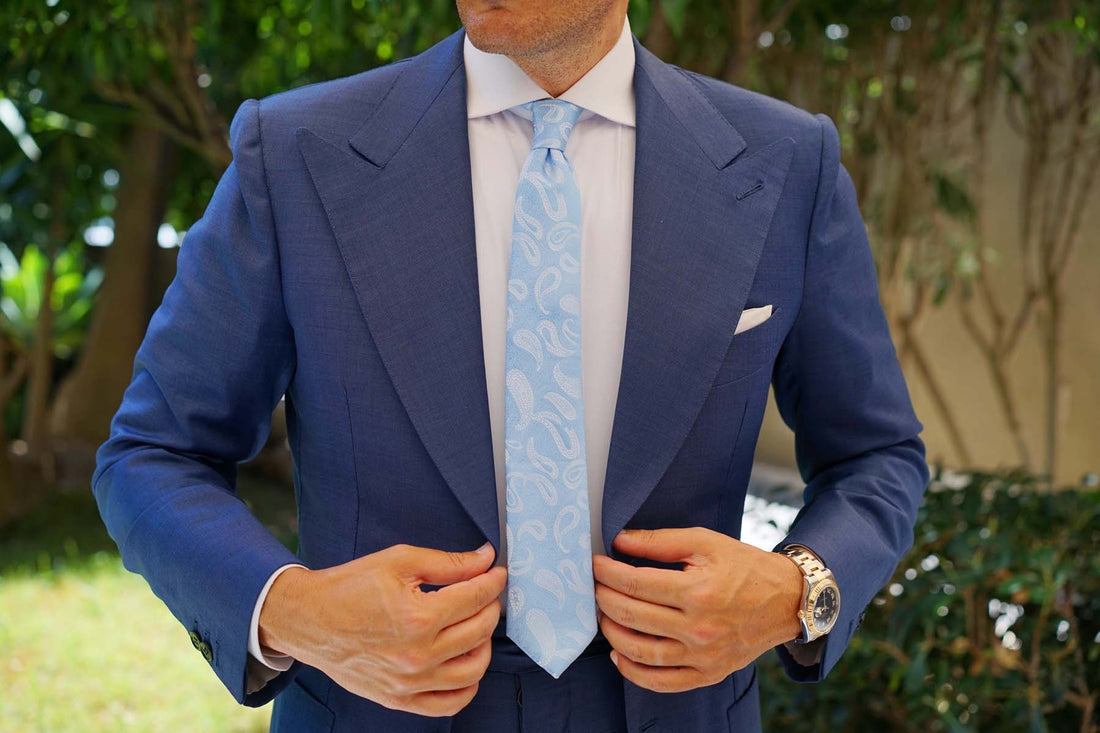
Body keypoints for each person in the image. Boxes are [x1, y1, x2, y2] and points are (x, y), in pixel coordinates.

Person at [91, 0, 929, 730]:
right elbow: (152, 454)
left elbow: (877, 457)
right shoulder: (293, 154)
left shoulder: (786, 163)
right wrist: (293, 611)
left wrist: (795, 591)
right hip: (376, 712)